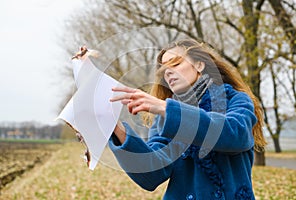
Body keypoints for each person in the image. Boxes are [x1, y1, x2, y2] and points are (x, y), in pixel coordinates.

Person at [109, 39, 266, 200]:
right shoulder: (164, 117)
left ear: (199, 65)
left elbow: (236, 134)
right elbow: (152, 175)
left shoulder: (237, 99)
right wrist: (115, 128)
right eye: (164, 69)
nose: (167, 72)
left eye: (175, 64)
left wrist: (166, 109)